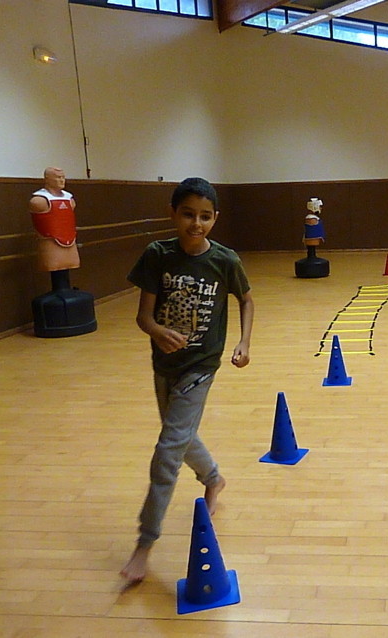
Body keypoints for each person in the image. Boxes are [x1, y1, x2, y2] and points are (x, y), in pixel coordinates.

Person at [120, 177, 254, 584]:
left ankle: (144, 544)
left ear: (215, 218)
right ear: (173, 214)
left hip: (201, 366)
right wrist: (157, 331)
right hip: (164, 364)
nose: (197, 223)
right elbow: (143, 316)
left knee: (167, 451)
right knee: (179, 434)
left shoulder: (225, 260)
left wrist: (244, 341)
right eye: (188, 214)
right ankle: (214, 479)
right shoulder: (157, 255)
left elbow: (246, 299)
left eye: (205, 216)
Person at [29, 166, 81, 272]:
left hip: (70, 240)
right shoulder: (39, 201)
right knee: (55, 268)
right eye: (58, 177)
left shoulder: (70, 199)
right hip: (50, 243)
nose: (62, 180)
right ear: (47, 179)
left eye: (63, 177)